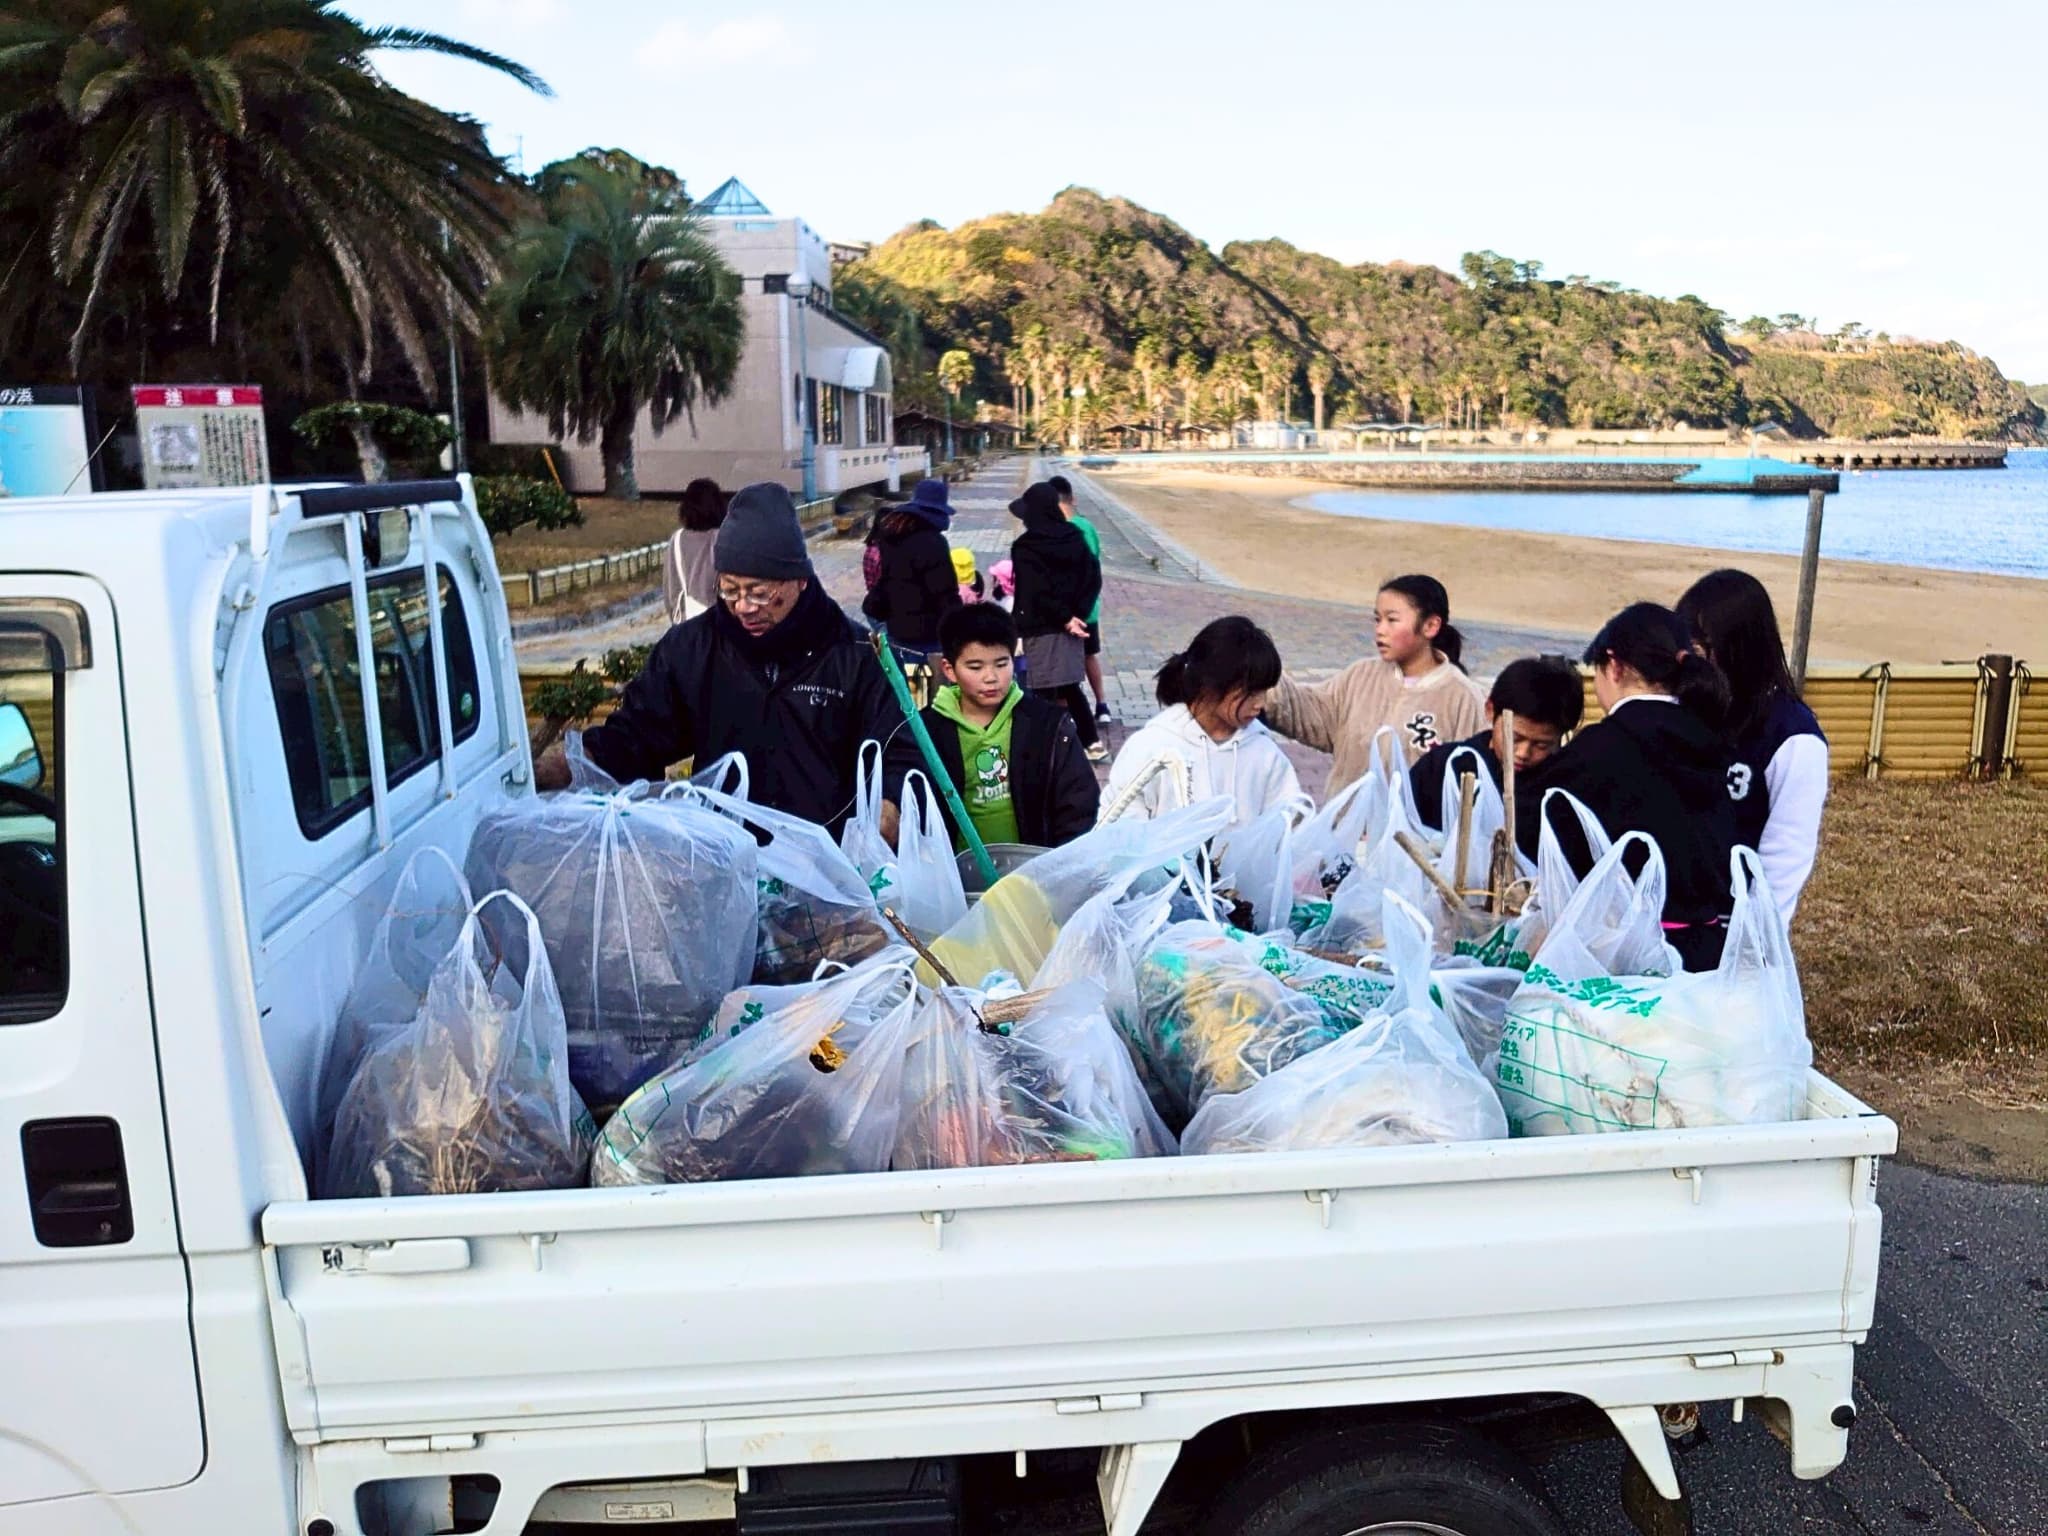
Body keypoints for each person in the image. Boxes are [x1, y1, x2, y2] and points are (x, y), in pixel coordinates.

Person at [537, 482, 902, 832]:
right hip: (723, 857)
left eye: (758, 593)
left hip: (826, 865)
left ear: (799, 580)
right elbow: (637, 735)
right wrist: (572, 763)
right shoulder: (692, 649)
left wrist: (892, 806)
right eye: (729, 590)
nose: (743, 607)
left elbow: (897, 750)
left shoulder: (856, 656)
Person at [1516, 603, 1737, 970]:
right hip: (1709, 952)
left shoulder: (1603, 745)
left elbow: (1533, 828)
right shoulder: (1711, 739)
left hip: (1626, 959)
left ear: (1614, 665)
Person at [883, 603, 1099, 852]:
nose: (991, 677)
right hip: (955, 878)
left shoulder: (1049, 726)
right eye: (975, 667)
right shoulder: (923, 732)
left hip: (1029, 875)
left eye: (1001, 663)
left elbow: (1079, 808)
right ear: (949, 670)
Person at [1677, 569, 1829, 919]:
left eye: (1701, 649)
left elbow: (1785, 858)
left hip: (1736, 930)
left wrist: (1749, 941)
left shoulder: (1793, 738)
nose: (1690, 662)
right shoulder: (1684, 710)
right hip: (1671, 923)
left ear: (1739, 649)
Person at [1263, 573, 1487, 782]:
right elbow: (1310, 711)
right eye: (1377, 619)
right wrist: (1261, 674)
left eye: (1392, 620)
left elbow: (1473, 778)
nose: (1380, 630)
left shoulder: (1461, 696)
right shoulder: (1361, 676)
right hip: (1347, 822)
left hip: (1413, 825)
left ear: (1430, 626)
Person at [1106, 616, 1302, 830]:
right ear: (1212, 684)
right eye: (1251, 693)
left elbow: (1289, 823)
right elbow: (1119, 828)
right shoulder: (1152, 747)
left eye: (1264, 692)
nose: (1261, 704)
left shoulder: (1265, 754)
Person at [1409, 656, 1584, 829]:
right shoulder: (1442, 767)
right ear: (1490, 710)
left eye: (1541, 745)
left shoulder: (1560, 788)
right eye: (1515, 738)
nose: (1523, 753)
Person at [1009, 481, 1106, 762]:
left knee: (1041, 687)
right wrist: (1076, 615)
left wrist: (1065, 618)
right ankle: (1090, 742)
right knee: (1068, 684)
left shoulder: (1026, 546)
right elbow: (1093, 578)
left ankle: (1048, 746)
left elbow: (1034, 591)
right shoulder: (1074, 537)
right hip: (1073, 625)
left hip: (1041, 626)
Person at [861, 477, 961, 667]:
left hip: (897, 629)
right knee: (928, 689)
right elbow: (944, 592)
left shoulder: (893, 537)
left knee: (905, 687)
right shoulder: (933, 542)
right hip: (928, 635)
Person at [1049, 474, 1112, 725]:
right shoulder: (1088, 527)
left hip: (1067, 610)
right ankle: (1102, 705)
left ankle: (1070, 712)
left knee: (1067, 662)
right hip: (1090, 609)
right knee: (1089, 656)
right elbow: (1095, 564)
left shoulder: (1058, 532)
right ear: (1072, 498)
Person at [661, 477, 726, 625]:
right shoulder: (723, 537)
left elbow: (670, 587)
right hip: (718, 622)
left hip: (686, 623)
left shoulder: (676, 540)